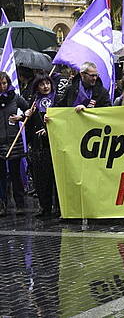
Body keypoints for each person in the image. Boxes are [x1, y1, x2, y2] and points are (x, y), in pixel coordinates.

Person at [25, 74, 57, 217]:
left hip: (54, 145)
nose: (45, 87)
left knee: (55, 179)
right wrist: (26, 116)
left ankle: (58, 208)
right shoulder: (33, 102)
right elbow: (28, 126)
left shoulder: (58, 101)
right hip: (38, 146)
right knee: (41, 178)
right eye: (42, 84)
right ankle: (45, 207)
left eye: (48, 83)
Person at [0, 71, 30, 215]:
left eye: (4, 83)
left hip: (14, 141)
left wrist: (21, 116)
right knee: (1, 176)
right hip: (0, 142)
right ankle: (2, 204)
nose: (2, 86)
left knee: (15, 174)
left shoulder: (15, 98)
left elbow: (29, 109)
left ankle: (20, 204)